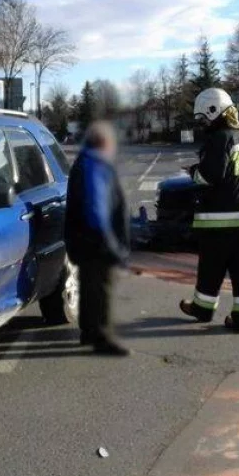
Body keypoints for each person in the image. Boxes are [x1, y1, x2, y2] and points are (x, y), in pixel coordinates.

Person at [179, 88, 239, 333]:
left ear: (214, 111)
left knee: (211, 267)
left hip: (220, 218)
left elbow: (210, 175)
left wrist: (193, 172)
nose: (202, 123)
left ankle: (203, 309)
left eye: (203, 117)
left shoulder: (220, 138)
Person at [65, 121, 131, 356]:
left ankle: (89, 332)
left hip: (84, 239)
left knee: (90, 287)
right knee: (100, 290)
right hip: (95, 241)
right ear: (103, 143)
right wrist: (112, 245)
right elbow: (97, 210)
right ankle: (100, 337)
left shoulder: (86, 162)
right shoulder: (94, 165)